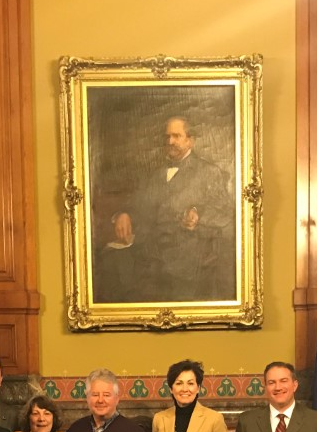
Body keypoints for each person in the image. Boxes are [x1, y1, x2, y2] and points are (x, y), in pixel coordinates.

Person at [96, 117, 234, 303]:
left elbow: (226, 212)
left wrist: (198, 214)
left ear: (190, 140)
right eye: (167, 136)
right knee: (107, 266)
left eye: (177, 136)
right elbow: (139, 205)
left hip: (188, 260)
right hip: (150, 258)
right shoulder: (155, 174)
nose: (170, 142)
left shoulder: (209, 172)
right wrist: (123, 214)